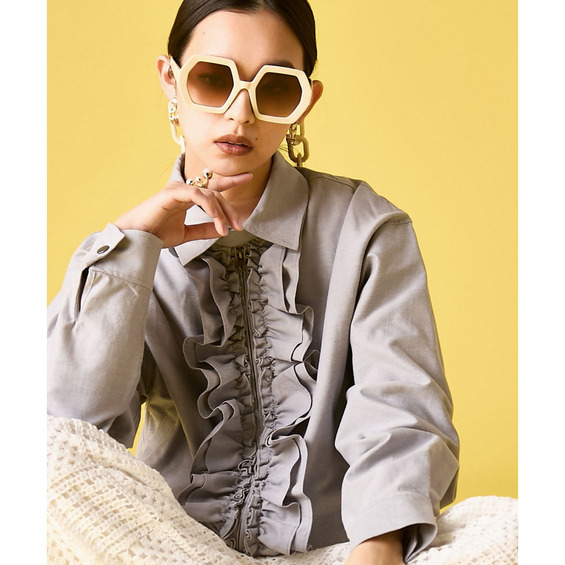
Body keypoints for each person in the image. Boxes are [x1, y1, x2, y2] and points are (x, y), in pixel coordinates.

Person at [47, 1, 460, 564]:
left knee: (512, 531)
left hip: (339, 550)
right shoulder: (132, 254)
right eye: (214, 79)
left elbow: (400, 406)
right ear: (171, 80)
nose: (241, 114)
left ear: (305, 101)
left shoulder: (366, 231)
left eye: (275, 88)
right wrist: (128, 249)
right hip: (167, 550)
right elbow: (70, 437)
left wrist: (378, 548)